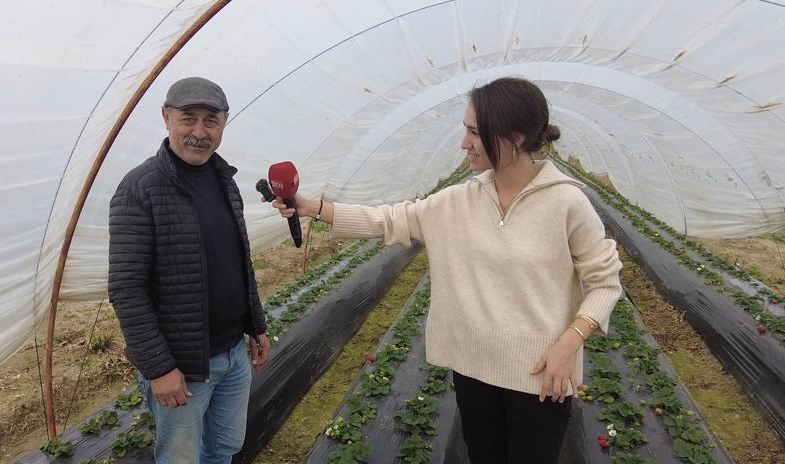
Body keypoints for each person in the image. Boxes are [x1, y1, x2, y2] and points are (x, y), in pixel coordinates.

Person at [269, 77, 622, 463]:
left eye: (474, 132)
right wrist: (313, 208)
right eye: (465, 130)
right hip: (474, 370)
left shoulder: (567, 203)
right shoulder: (458, 201)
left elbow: (605, 283)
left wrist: (569, 343)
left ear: (515, 137)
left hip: (541, 376)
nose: (464, 143)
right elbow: (389, 221)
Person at [109, 76, 270, 464]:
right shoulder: (140, 188)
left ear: (223, 124)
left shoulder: (225, 181)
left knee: (223, 448)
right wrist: (160, 369)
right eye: (189, 118)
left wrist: (256, 326)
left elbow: (239, 261)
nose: (199, 132)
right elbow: (126, 289)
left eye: (210, 121)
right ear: (166, 118)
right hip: (184, 366)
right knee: (180, 458)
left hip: (232, 355)